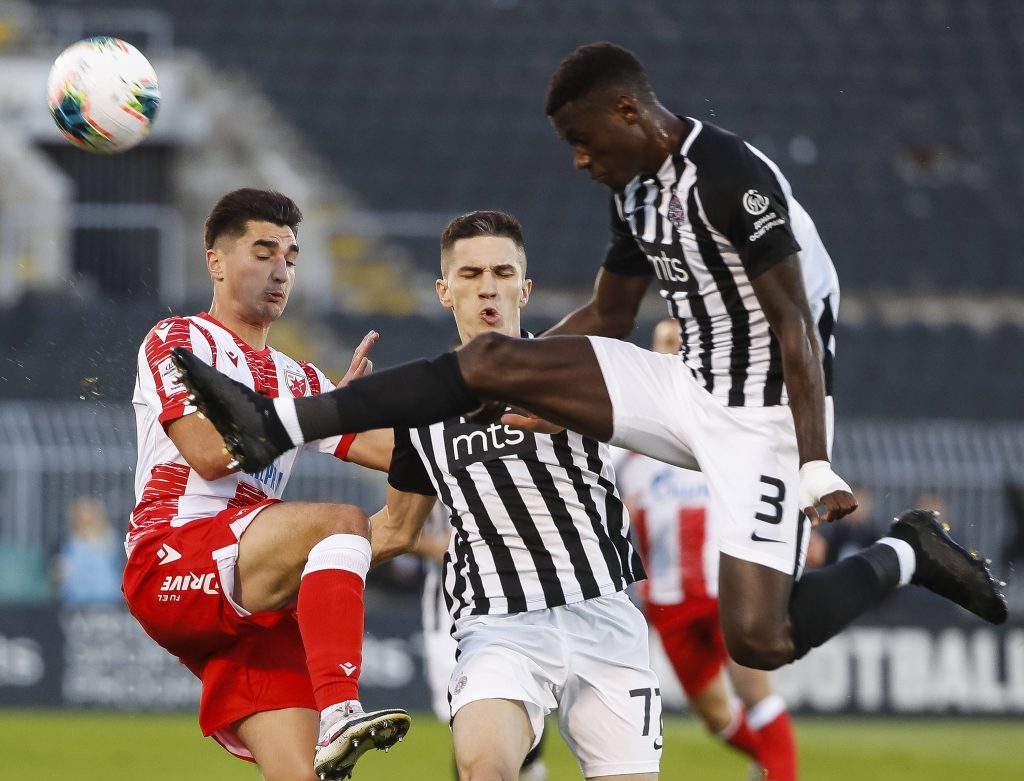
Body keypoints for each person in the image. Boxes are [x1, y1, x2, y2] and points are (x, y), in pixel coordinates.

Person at [170, 44, 1007, 682]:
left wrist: (816, 461)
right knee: (495, 357)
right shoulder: (634, 190)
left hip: (768, 416)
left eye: (583, 139)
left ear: (626, 111)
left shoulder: (730, 176)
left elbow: (795, 324)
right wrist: (519, 386)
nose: (579, 158)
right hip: (682, 387)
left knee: (760, 638)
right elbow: (610, 315)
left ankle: (910, 550)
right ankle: (270, 424)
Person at [125, 188, 410, 781]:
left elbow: (395, 452)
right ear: (216, 261)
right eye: (263, 252)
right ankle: (340, 709)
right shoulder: (180, 339)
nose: (280, 270)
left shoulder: (297, 376)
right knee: (340, 520)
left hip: (249, 585)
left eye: (290, 255)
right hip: (173, 556)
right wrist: (316, 414)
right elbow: (205, 453)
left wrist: (444, 418)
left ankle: (329, 732)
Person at [366, 210, 659, 781]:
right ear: (444, 291)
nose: (488, 286)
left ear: (525, 288)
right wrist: (296, 564)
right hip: (499, 628)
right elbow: (395, 529)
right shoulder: (419, 408)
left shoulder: (576, 368)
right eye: (470, 273)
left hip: (603, 615)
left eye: (503, 272)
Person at [614, 318, 798, 781]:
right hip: (668, 603)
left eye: (682, 344)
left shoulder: (727, 426)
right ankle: (770, 767)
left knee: (758, 697)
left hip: (727, 592)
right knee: (718, 720)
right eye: (665, 346)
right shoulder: (628, 449)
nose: (674, 353)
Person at [417, 503, 551, 781]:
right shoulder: (425, 462)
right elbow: (400, 528)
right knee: (462, 719)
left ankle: (529, 763)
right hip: (449, 611)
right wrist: (435, 545)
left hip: (514, 599)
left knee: (529, 691)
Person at [55, 496, 123, 607]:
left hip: (106, 599)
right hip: (78, 600)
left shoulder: (111, 539)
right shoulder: (71, 543)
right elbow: (64, 573)